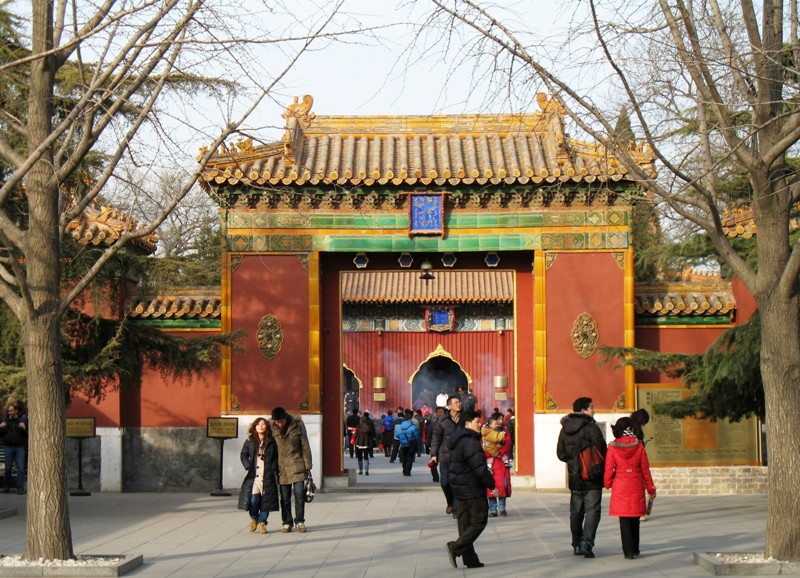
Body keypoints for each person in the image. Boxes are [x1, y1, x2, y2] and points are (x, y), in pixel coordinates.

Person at [445, 410, 498, 569]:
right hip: (472, 488)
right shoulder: (470, 442)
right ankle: (455, 547)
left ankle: (470, 559)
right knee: (479, 520)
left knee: (465, 524)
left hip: (459, 487)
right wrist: (492, 484)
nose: (480, 424)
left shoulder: (458, 440)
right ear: (467, 424)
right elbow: (480, 468)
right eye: (477, 421)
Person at [556, 397, 607, 558]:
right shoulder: (592, 428)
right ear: (584, 411)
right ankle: (587, 543)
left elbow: (560, 453)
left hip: (574, 476)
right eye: (592, 407)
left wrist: (574, 462)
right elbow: (602, 451)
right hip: (592, 475)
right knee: (592, 510)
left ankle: (577, 544)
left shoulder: (565, 428)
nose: (594, 410)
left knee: (576, 511)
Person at [604, 417, 657, 559]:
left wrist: (608, 483)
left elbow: (609, 468)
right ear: (629, 429)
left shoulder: (613, 446)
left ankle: (627, 551)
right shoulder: (639, 445)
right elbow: (645, 469)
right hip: (636, 483)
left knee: (624, 519)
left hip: (620, 484)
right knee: (635, 517)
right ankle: (635, 548)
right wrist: (650, 487)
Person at [270, 407, 313, 533]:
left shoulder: (297, 424)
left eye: (281, 421)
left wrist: (308, 464)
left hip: (296, 464)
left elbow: (305, 444)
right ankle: (287, 522)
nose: (279, 424)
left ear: (286, 418)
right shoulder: (271, 426)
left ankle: (300, 521)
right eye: (277, 422)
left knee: (299, 494)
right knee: (285, 497)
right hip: (281, 467)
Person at [239, 417, 279, 534]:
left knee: (266, 500)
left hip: (267, 475)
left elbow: (276, 456)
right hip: (254, 476)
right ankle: (254, 518)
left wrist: (273, 468)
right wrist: (247, 465)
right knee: (253, 500)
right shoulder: (250, 440)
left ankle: (262, 522)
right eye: (258, 424)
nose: (261, 426)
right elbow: (243, 454)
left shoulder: (271, 441)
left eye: (263, 424)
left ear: (267, 427)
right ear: (254, 427)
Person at [430, 394, 464, 517]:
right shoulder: (442, 421)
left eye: (459, 402)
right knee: (445, 482)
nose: (459, 404)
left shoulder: (465, 419)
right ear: (449, 406)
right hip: (445, 456)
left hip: (461, 457)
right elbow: (436, 439)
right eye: (455, 402)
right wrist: (434, 454)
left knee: (457, 483)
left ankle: (455, 508)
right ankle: (450, 503)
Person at [483, 413, 512, 517]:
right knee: (491, 487)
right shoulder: (485, 432)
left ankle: (502, 508)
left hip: (501, 462)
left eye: (502, 419)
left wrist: (499, 453)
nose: (500, 421)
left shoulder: (505, 432)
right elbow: (483, 444)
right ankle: (493, 510)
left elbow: (508, 444)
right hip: (491, 463)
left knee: (502, 487)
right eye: (498, 419)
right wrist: (490, 453)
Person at [1, 403, 28, 494]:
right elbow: (1, 434)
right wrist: (2, 428)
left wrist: (23, 428)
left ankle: (20, 489)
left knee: (20, 468)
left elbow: (25, 434)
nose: (9, 413)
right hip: (8, 446)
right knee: (8, 468)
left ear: (16, 411)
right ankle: (6, 487)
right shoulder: (6, 420)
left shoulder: (22, 419)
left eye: (11, 411)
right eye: (8, 411)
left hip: (19, 447)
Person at [396, 409, 421, 476]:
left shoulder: (400, 427)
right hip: (410, 444)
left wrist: (402, 439)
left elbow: (397, 435)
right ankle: (408, 471)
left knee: (404, 458)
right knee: (410, 458)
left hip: (403, 445)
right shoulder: (413, 426)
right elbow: (417, 436)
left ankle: (404, 470)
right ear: (410, 419)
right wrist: (418, 443)